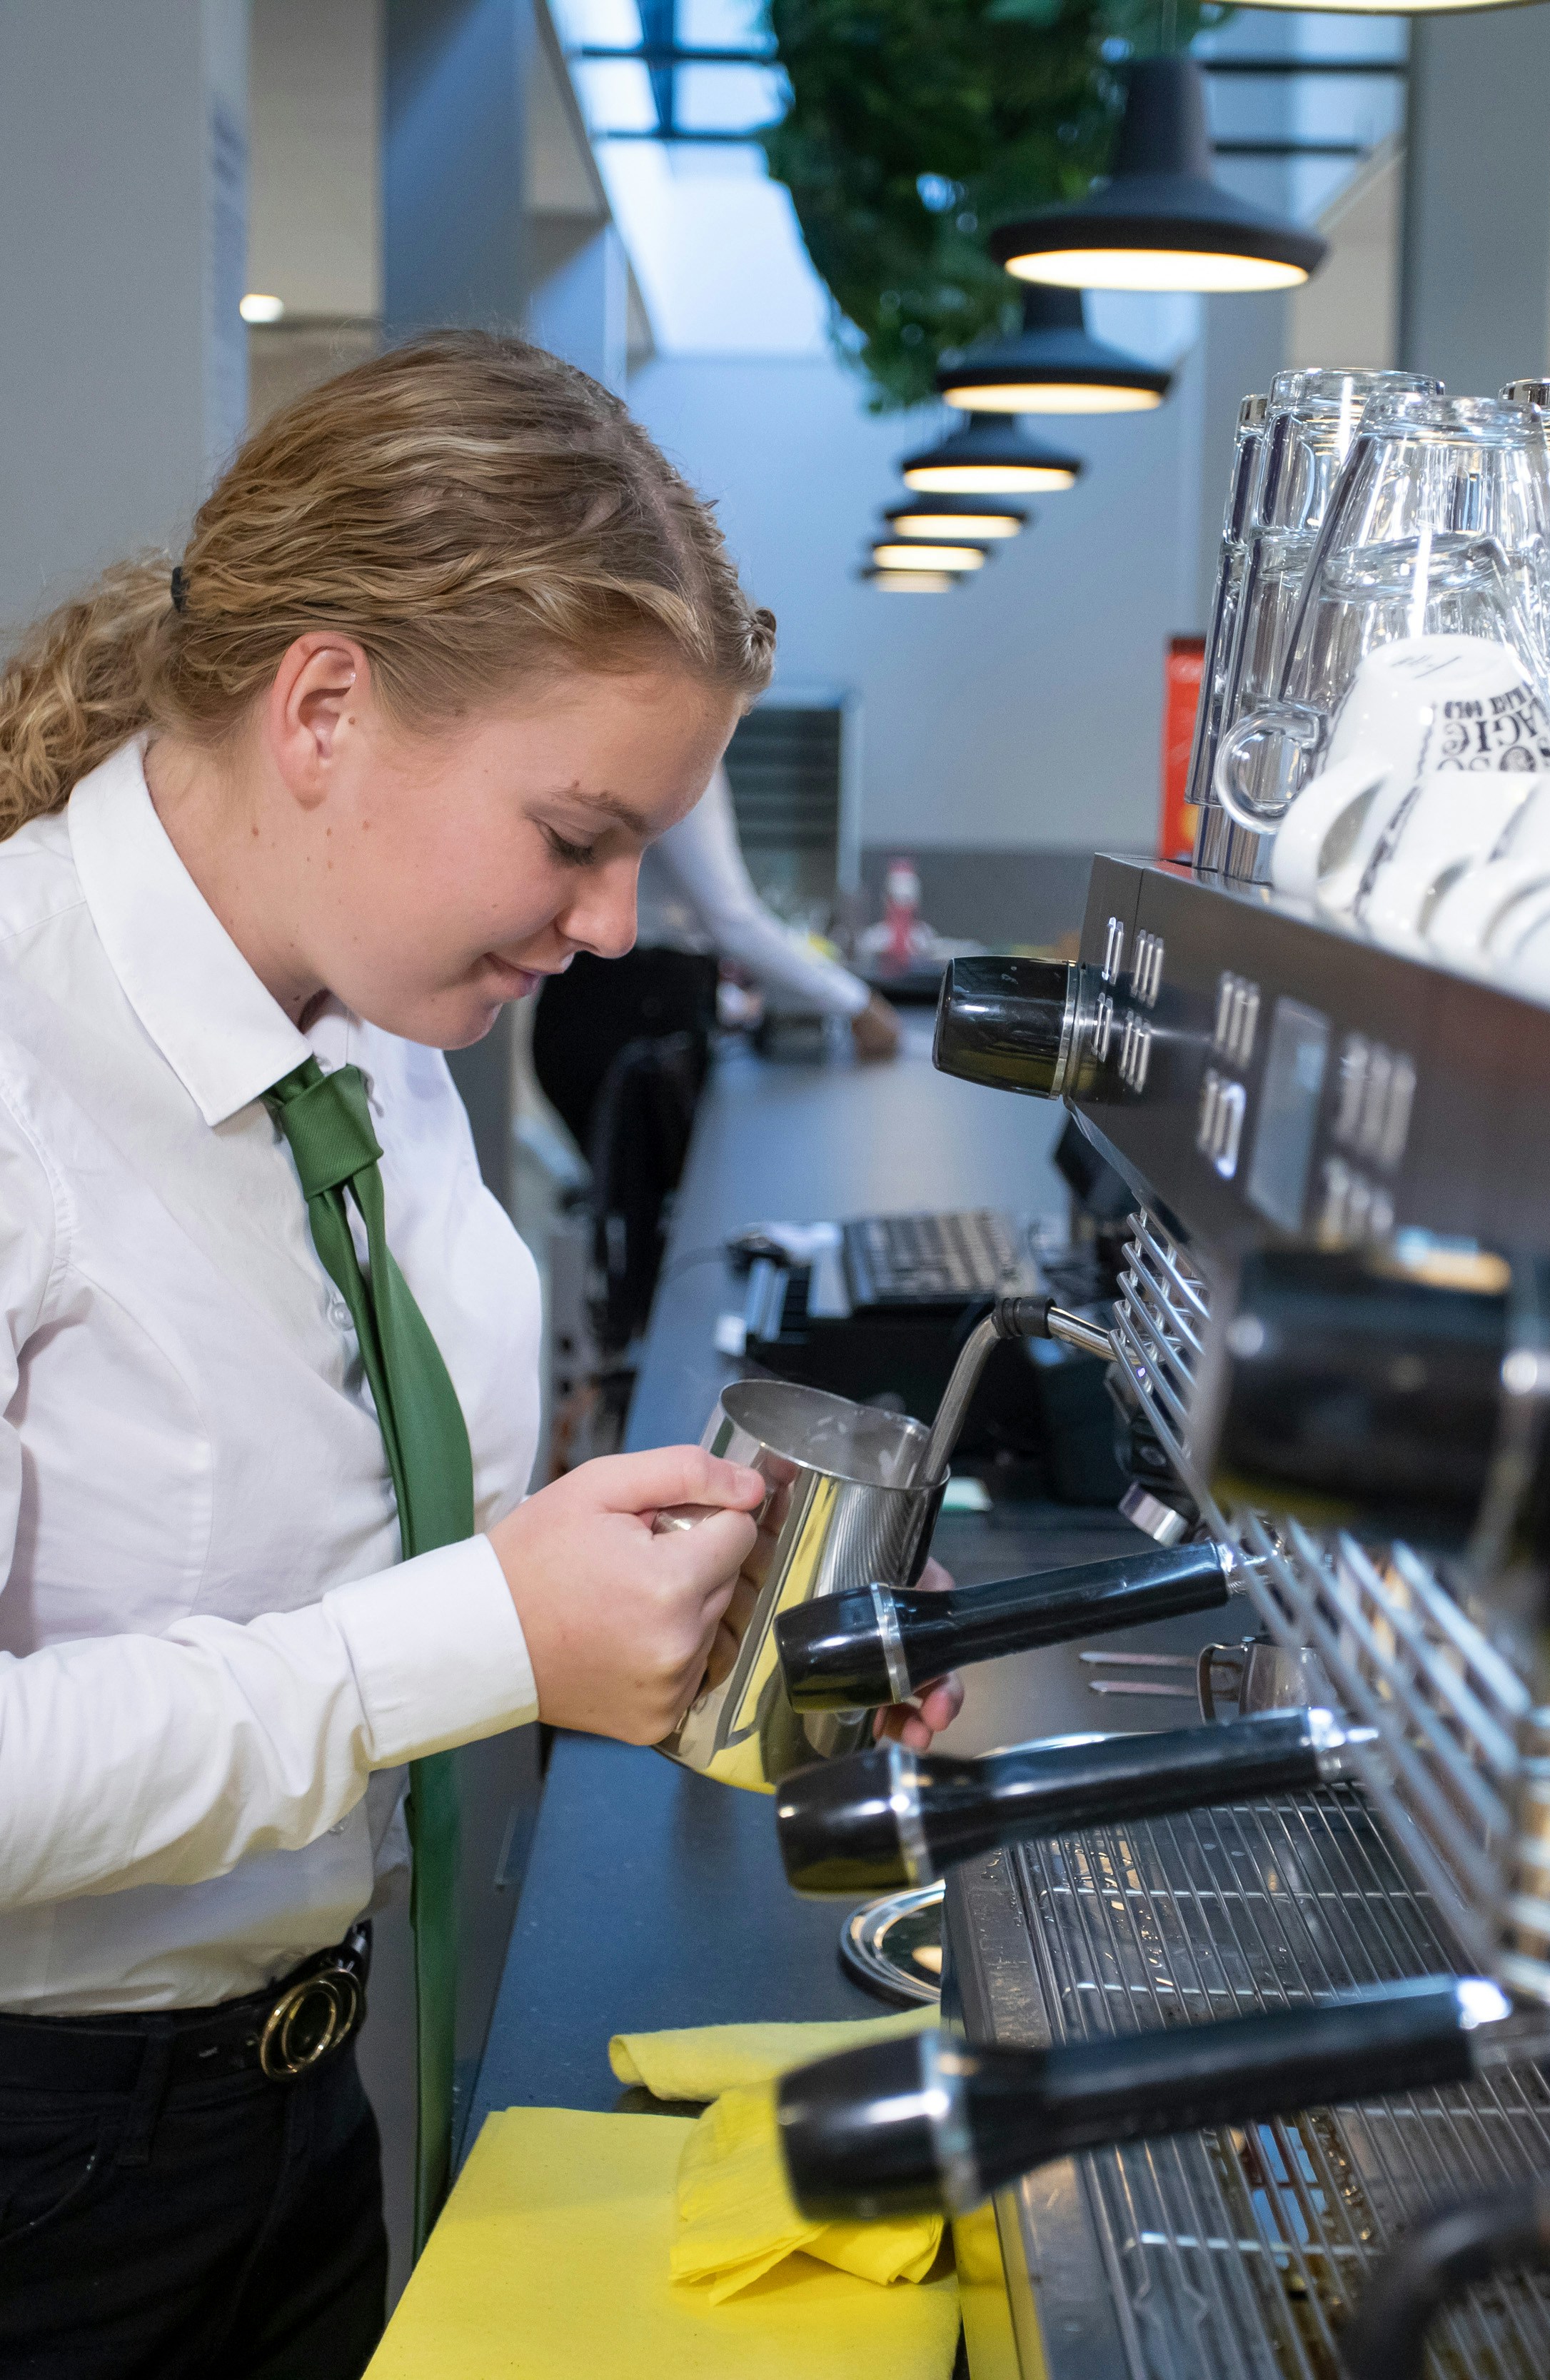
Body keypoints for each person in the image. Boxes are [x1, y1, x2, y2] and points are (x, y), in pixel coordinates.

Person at [0, 332, 961, 2380]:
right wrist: (478, 1640)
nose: (615, 923)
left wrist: (712, 1604)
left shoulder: (371, 1016)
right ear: (326, 706)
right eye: (574, 833)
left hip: (301, 2107)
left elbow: (348, 1539)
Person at [528, 763, 902, 1164]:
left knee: (651, 1201)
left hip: (616, 1001)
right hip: (624, 1015)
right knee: (652, 1205)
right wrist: (856, 1003)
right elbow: (731, 920)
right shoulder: (680, 752)